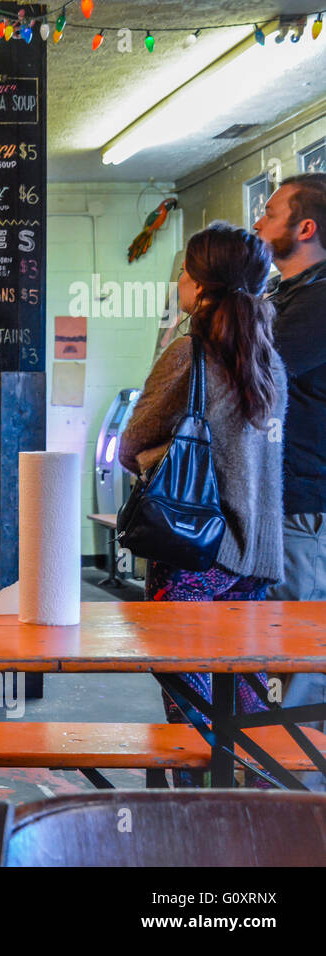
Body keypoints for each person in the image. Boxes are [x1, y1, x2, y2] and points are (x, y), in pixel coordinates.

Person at [118, 222, 286, 785]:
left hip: (195, 553)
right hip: (255, 562)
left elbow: (132, 443)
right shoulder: (270, 360)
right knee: (246, 709)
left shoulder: (189, 351)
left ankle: (198, 828)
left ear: (199, 285)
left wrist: (161, 456)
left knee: (192, 715)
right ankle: (258, 820)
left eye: (185, 272)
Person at [254, 172, 326, 790]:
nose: (257, 220)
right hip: (281, 510)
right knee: (277, 657)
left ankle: (299, 814)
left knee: (300, 668)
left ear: (304, 228)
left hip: (305, 512)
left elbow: (247, 371)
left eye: (269, 211)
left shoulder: (319, 303)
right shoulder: (286, 293)